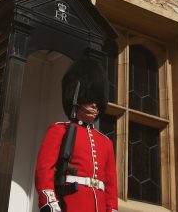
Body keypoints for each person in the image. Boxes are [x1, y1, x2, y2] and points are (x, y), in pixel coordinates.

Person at [35, 59, 118, 212]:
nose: (95, 105)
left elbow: (111, 185)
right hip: (70, 204)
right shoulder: (60, 130)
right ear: (77, 99)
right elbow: (44, 169)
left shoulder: (105, 142)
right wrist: (50, 202)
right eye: (90, 99)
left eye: (98, 102)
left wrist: (112, 209)